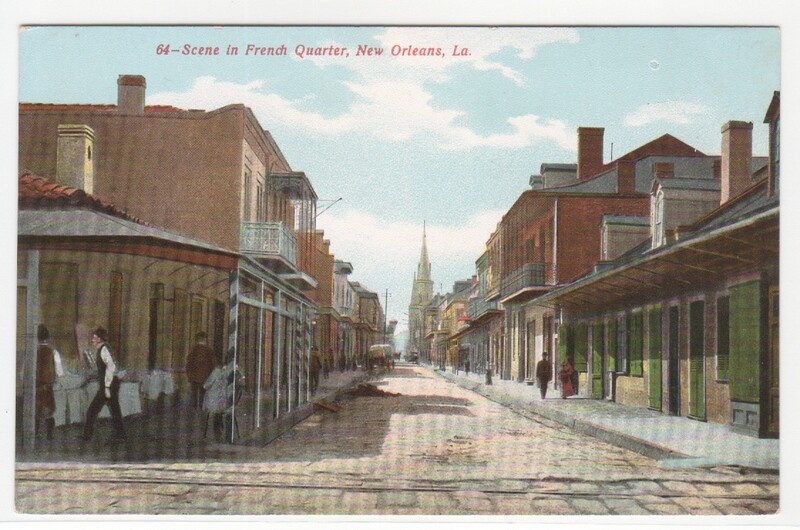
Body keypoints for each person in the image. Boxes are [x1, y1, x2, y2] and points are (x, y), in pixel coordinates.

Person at [80, 327, 126, 443]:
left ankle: (87, 436)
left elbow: (111, 368)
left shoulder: (104, 349)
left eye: (94, 337)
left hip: (109, 385)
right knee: (114, 410)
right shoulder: (102, 349)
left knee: (92, 410)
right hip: (110, 385)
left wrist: (106, 387)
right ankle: (121, 435)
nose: (92, 340)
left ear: (100, 339)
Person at [203, 358, 243, 443]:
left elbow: (206, 385)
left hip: (216, 403)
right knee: (224, 412)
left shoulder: (217, 372)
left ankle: (218, 433)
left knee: (217, 412)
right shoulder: (235, 373)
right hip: (229, 403)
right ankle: (227, 435)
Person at [36, 324, 63, 441]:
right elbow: (60, 372)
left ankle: (35, 434)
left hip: (36, 387)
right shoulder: (54, 352)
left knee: (36, 411)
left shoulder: (34, 352)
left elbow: (23, 373)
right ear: (48, 338)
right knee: (49, 411)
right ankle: (49, 435)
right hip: (48, 387)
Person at [186, 332, 215, 409]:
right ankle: (202, 408)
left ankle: (195, 408)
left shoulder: (193, 351)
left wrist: (189, 376)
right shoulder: (209, 351)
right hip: (205, 377)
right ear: (205, 340)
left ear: (197, 340)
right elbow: (213, 365)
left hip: (194, 377)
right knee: (203, 395)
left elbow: (189, 365)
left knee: (194, 395)